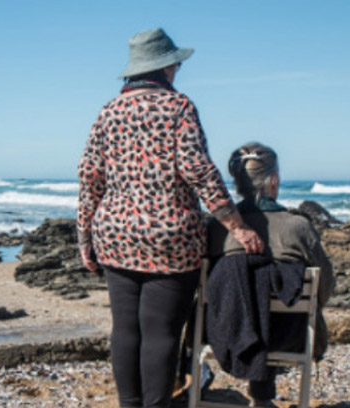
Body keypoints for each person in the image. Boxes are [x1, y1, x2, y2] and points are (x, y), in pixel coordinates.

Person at [77, 28, 264, 408]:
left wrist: (85, 239)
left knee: (125, 328)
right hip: (170, 236)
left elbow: (89, 177)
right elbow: (199, 170)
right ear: (165, 67)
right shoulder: (179, 106)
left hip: (113, 233)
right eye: (176, 63)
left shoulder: (108, 112)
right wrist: (237, 226)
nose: (178, 69)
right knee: (161, 331)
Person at [205, 142, 335, 407]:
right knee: (275, 309)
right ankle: (263, 398)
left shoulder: (217, 228)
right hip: (289, 335)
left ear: (238, 183)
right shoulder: (298, 227)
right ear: (273, 180)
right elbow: (325, 286)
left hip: (223, 334)